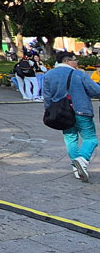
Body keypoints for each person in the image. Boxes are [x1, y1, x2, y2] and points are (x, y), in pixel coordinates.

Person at [43, 50, 100, 182]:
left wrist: (49, 112)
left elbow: (47, 97)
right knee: (91, 139)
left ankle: (76, 169)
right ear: (67, 61)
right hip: (81, 110)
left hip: (61, 113)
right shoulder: (79, 74)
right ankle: (82, 159)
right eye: (75, 60)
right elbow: (96, 91)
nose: (77, 62)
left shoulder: (49, 75)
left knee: (70, 139)